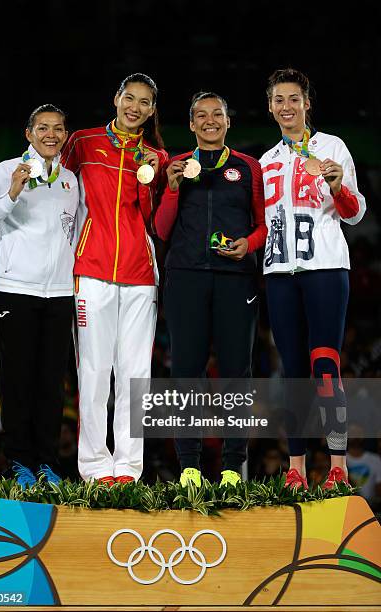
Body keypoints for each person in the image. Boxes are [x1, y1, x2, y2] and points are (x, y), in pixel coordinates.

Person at [260, 68, 366, 490]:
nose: (287, 107)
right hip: (280, 272)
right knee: (292, 373)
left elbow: (356, 211)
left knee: (325, 365)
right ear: (270, 107)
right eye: (279, 100)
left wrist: (338, 188)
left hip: (324, 267)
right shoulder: (267, 160)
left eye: (294, 99)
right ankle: (297, 469)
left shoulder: (332, 147)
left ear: (307, 104)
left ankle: (337, 465)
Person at [155, 91, 266, 487]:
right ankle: (189, 467)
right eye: (200, 115)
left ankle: (233, 468)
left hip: (237, 278)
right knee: (187, 371)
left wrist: (248, 246)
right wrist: (170, 188)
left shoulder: (248, 168)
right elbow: (162, 229)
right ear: (190, 124)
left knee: (237, 372)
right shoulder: (175, 166)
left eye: (216, 114)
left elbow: (262, 224)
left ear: (228, 121)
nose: (209, 121)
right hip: (186, 277)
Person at [61, 73, 168, 485]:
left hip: (141, 275)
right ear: (116, 97)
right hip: (91, 271)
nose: (135, 107)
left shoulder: (154, 155)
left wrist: (155, 176)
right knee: (92, 370)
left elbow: (154, 218)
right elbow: (58, 188)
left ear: (152, 109)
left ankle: (127, 469)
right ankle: (94, 467)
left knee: (135, 374)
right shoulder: (83, 143)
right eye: (130, 98)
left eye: (144, 102)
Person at [0, 104, 78, 488]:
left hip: (61, 292)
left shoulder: (69, 180)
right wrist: (12, 193)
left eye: (59, 128)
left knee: (51, 383)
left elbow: (75, 234)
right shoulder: (5, 171)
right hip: (15, 290)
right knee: (16, 380)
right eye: (43, 128)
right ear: (28, 134)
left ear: (66, 135)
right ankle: (18, 462)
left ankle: (46, 463)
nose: (52, 134)